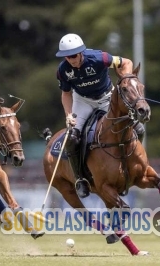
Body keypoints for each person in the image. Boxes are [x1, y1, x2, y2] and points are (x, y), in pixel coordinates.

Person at [55, 33, 145, 198]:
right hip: (82, 101)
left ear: (81, 52)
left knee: (139, 128)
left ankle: (134, 164)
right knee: (72, 138)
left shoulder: (99, 58)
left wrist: (126, 79)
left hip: (107, 98)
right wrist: (68, 115)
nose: (71, 60)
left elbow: (127, 62)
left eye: (73, 55)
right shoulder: (63, 70)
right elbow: (66, 94)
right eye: (67, 57)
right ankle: (79, 178)